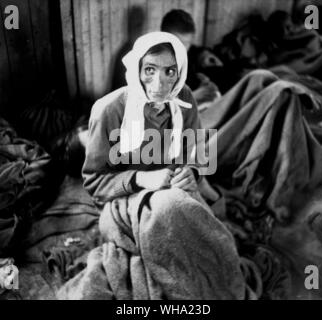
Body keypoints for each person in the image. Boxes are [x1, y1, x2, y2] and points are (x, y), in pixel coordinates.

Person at [72, 32, 246, 300]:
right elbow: (95, 183)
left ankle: (222, 284)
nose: (160, 83)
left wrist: (192, 172)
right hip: (122, 205)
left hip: (173, 188)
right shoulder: (108, 110)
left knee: (194, 210)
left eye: (170, 72)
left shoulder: (184, 98)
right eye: (150, 70)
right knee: (174, 207)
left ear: (180, 73)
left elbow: (196, 154)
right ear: (136, 70)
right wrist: (142, 179)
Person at [160, 9, 221, 105]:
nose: (182, 50)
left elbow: (197, 51)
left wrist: (205, 55)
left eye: (186, 44)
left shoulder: (188, 57)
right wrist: (194, 96)